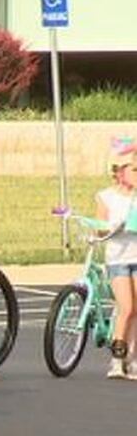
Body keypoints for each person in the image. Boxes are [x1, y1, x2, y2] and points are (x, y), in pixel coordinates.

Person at [96, 143, 137, 379]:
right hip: (118, 259)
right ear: (120, 173)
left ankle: (132, 358)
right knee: (126, 307)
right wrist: (113, 227)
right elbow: (100, 227)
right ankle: (117, 358)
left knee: (136, 310)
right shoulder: (107, 197)